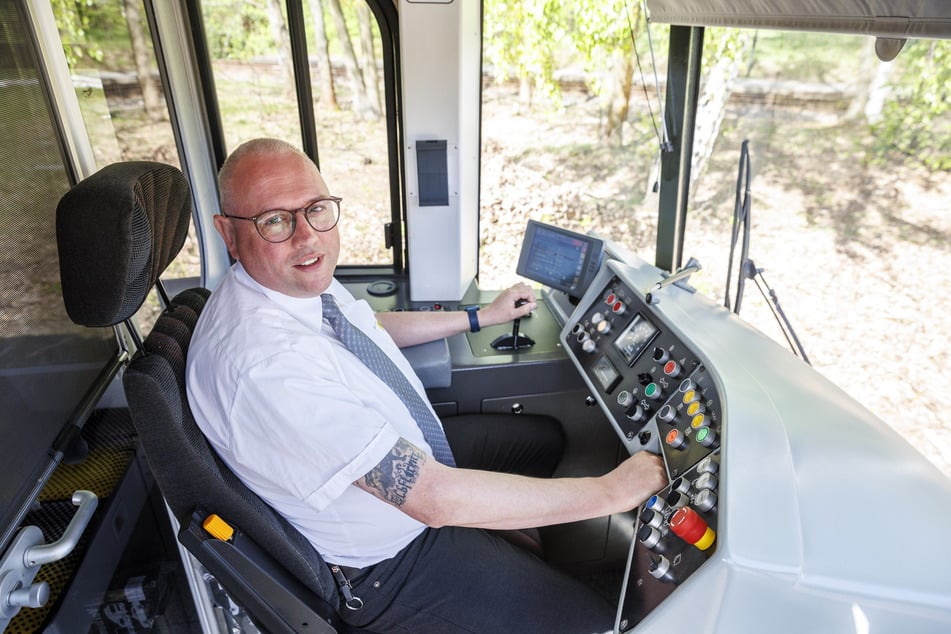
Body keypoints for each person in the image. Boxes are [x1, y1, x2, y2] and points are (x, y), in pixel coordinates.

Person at [186, 137, 667, 633]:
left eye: (316, 209)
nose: (306, 237)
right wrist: (611, 492)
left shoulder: (290, 282)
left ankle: (519, 553)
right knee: (595, 624)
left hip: (409, 469)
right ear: (228, 232)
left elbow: (365, 326)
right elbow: (435, 500)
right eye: (275, 220)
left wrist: (480, 317)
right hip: (388, 561)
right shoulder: (265, 366)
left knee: (541, 441)